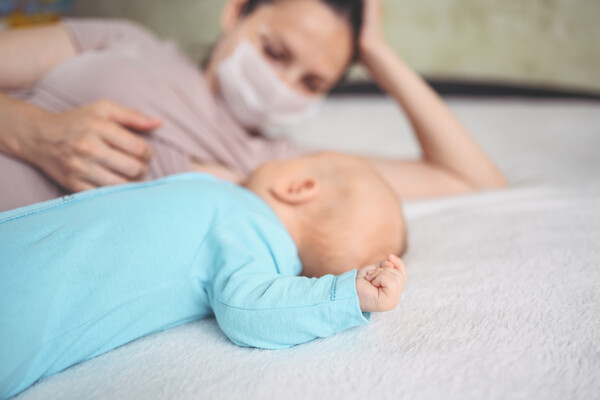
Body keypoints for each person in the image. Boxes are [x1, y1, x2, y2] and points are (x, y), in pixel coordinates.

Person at [0, 0, 506, 212]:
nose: (280, 85)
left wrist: (377, 52)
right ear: (237, 11)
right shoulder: (123, 41)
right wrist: (33, 131)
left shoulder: (279, 167)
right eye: (274, 52)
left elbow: (471, 179)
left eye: (311, 83)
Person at [0, 152, 407, 399]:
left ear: (298, 185)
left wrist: (345, 295)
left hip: (22, 310)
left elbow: (247, 306)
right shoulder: (231, 203)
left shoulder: (254, 229)